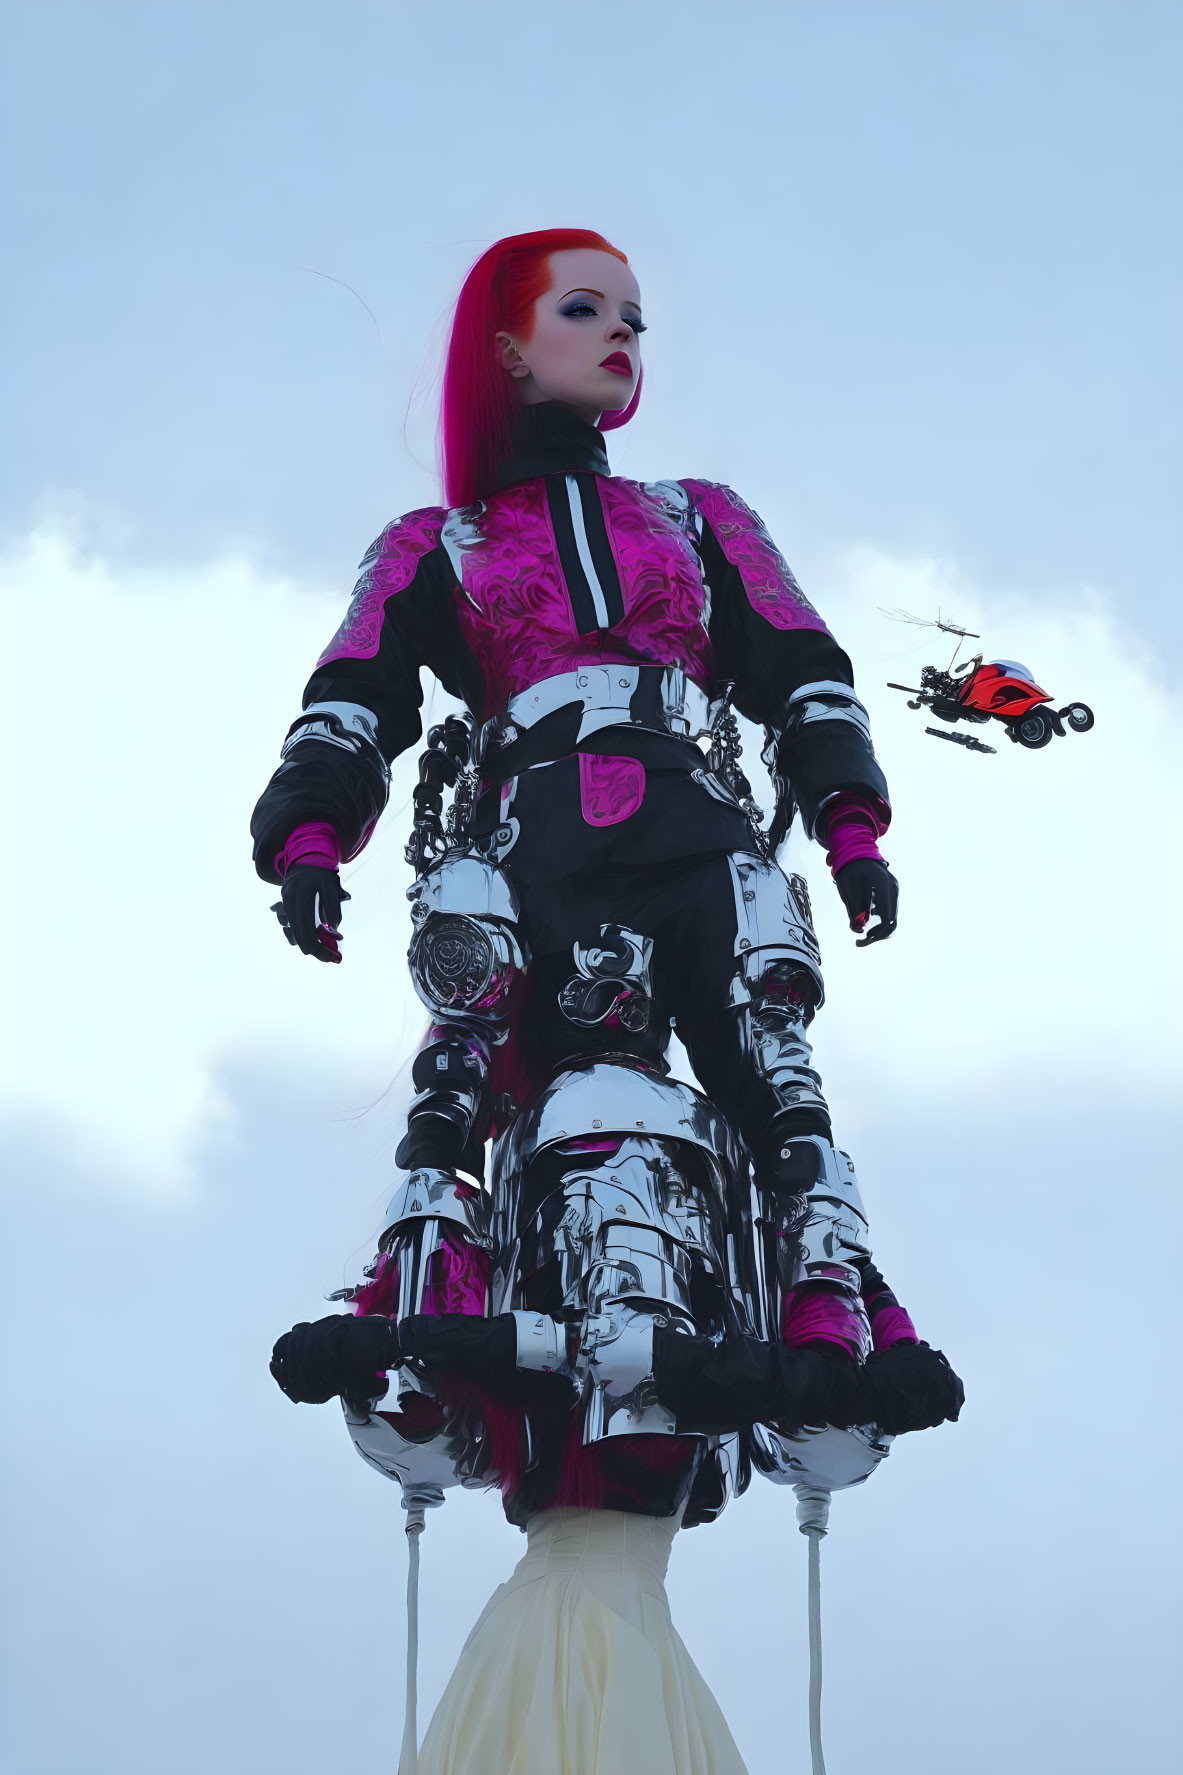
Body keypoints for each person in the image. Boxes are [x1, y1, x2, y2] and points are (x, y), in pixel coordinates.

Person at [260, 230, 961, 1774]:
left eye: (635, 316)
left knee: (773, 1056)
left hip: (694, 822)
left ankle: (837, 1300)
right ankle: (424, 1287)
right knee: (480, 1052)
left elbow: (797, 661)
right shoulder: (438, 546)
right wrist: (310, 831)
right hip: (534, 832)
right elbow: (359, 688)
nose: (624, 335)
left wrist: (848, 819)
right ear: (510, 347)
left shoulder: (698, 520)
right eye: (587, 310)